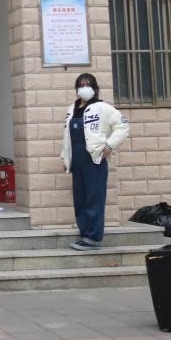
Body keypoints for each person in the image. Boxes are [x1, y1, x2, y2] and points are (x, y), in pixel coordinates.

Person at [61, 73, 130, 251]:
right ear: (76, 89)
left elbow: (122, 126)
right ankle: (85, 234)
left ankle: (94, 238)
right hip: (77, 161)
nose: (84, 88)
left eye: (88, 84)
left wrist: (109, 146)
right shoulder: (71, 109)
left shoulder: (102, 108)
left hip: (94, 160)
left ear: (95, 88)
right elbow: (66, 137)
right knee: (80, 199)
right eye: (81, 85)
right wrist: (66, 158)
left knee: (94, 198)